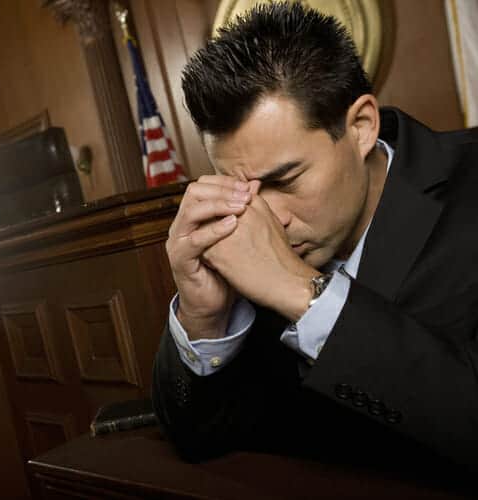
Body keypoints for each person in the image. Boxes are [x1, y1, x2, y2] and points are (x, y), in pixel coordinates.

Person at [152, 1, 477, 489]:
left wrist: (304, 294)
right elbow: (197, 437)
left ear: (361, 127)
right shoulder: (240, 229)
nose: (269, 219)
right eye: (242, 186)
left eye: (286, 179)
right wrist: (204, 319)